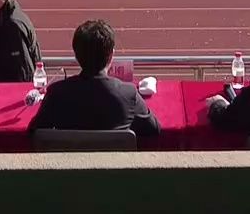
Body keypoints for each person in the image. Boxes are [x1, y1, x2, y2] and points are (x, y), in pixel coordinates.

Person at [29, 20, 160, 140]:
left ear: (76, 55)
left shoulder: (56, 93)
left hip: (71, 163)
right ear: (111, 56)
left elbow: (34, 132)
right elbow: (154, 129)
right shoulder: (128, 94)